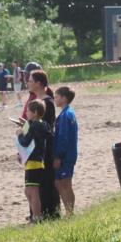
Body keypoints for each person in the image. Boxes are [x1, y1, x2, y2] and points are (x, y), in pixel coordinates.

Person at [25, 69, 59, 218]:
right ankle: (35, 212)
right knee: (33, 185)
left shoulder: (47, 103)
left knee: (44, 182)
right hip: (31, 150)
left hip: (43, 150)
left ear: (38, 83)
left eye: (30, 80)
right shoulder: (34, 101)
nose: (28, 83)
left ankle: (48, 212)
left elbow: (46, 128)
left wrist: (29, 128)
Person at [18, 99, 53, 222]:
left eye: (28, 110)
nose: (26, 112)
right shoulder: (43, 124)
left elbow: (25, 142)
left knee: (32, 191)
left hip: (33, 162)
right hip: (37, 161)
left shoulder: (35, 125)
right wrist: (27, 125)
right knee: (28, 190)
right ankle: (36, 214)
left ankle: (37, 216)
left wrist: (20, 134)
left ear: (36, 112)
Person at [53, 86, 79, 214]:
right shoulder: (68, 112)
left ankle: (70, 212)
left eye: (56, 97)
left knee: (65, 183)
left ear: (64, 98)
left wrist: (57, 156)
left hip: (66, 156)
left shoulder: (65, 115)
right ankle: (68, 211)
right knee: (59, 183)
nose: (54, 99)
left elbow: (63, 138)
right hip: (68, 154)